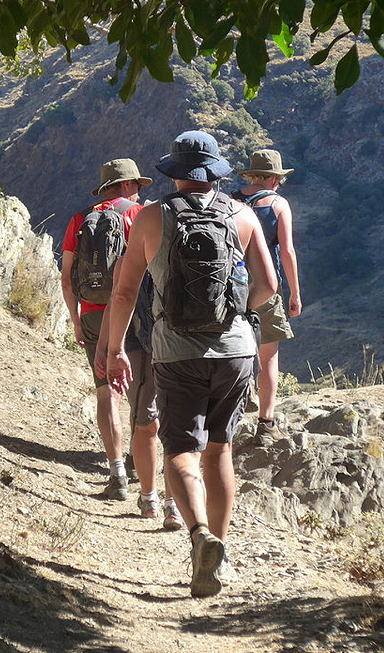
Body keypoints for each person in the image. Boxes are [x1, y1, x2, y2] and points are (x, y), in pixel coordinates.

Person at [105, 131, 277, 597]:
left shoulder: (149, 217)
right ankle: (219, 550)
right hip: (237, 351)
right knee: (219, 449)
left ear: (174, 173)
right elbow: (268, 287)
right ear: (215, 171)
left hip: (175, 351)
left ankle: (198, 533)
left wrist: (115, 349)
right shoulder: (243, 216)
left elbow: (123, 293)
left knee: (179, 450)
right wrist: (236, 315)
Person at [61, 158, 151, 501]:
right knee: (137, 393)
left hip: (93, 315)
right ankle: (136, 462)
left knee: (105, 393)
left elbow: (67, 278)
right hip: (133, 316)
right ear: (128, 185)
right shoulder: (138, 216)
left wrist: (75, 319)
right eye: (138, 187)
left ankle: (116, 474)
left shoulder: (80, 218)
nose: (140, 193)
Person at [95, 270, 185, 529]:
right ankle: (170, 503)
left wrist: (107, 347)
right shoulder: (188, 239)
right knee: (170, 426)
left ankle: (151, 499)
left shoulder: (137, 244)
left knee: (146, 423)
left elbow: (118, 297)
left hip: (137, 344)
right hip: (178, 344)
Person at [232, 149, 302, 445]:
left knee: (235, 351)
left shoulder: (231, 201)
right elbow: (286, 250)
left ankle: (231, 415)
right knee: (268, 356)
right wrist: (295, 293)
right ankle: (266, 422)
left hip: (231, 286)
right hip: (265, 287)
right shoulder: (277, 204)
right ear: (274, 177)